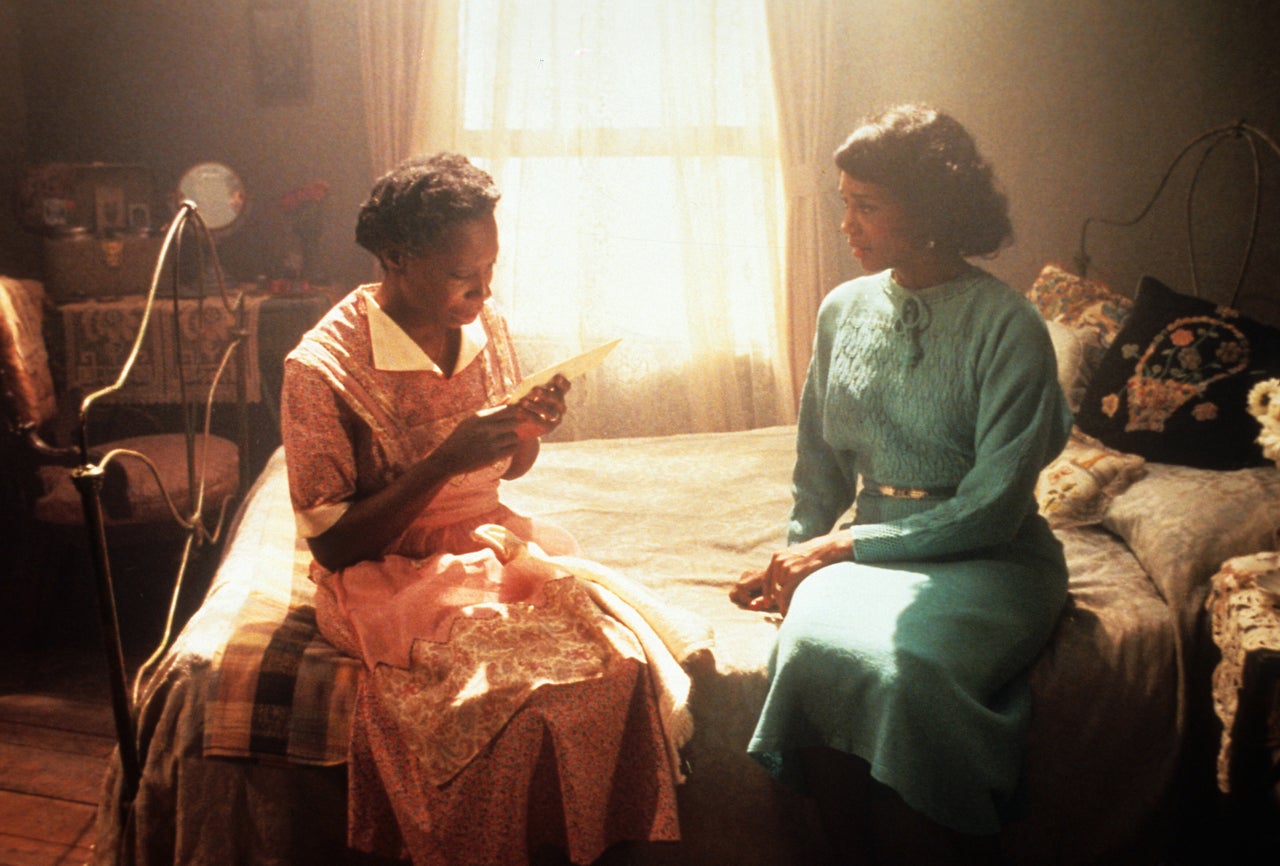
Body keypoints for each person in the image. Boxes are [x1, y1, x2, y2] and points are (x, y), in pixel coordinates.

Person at [281, 153, 679, 865]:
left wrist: (526, 431)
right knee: (514, 704)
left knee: (616, 668)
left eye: (490, 268)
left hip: (486, 546)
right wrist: (441, 464)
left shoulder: (483, 324)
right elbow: (333, 547)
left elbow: (506, 468)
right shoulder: (319, 370)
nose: (484, 289)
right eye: (464, 274)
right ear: (398, 258)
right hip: (388, 571)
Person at [730, 105, 1072, 865]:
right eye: (843, 201)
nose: (846, 224)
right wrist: (795, 558)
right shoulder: (841, 309)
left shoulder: (1008, 325)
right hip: (862, 547)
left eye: (867, 206)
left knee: (905, 668)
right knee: (813, 644)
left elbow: (992, 506)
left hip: (992, 557)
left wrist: (842, 546)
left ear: (927, 211)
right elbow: (817, 464)